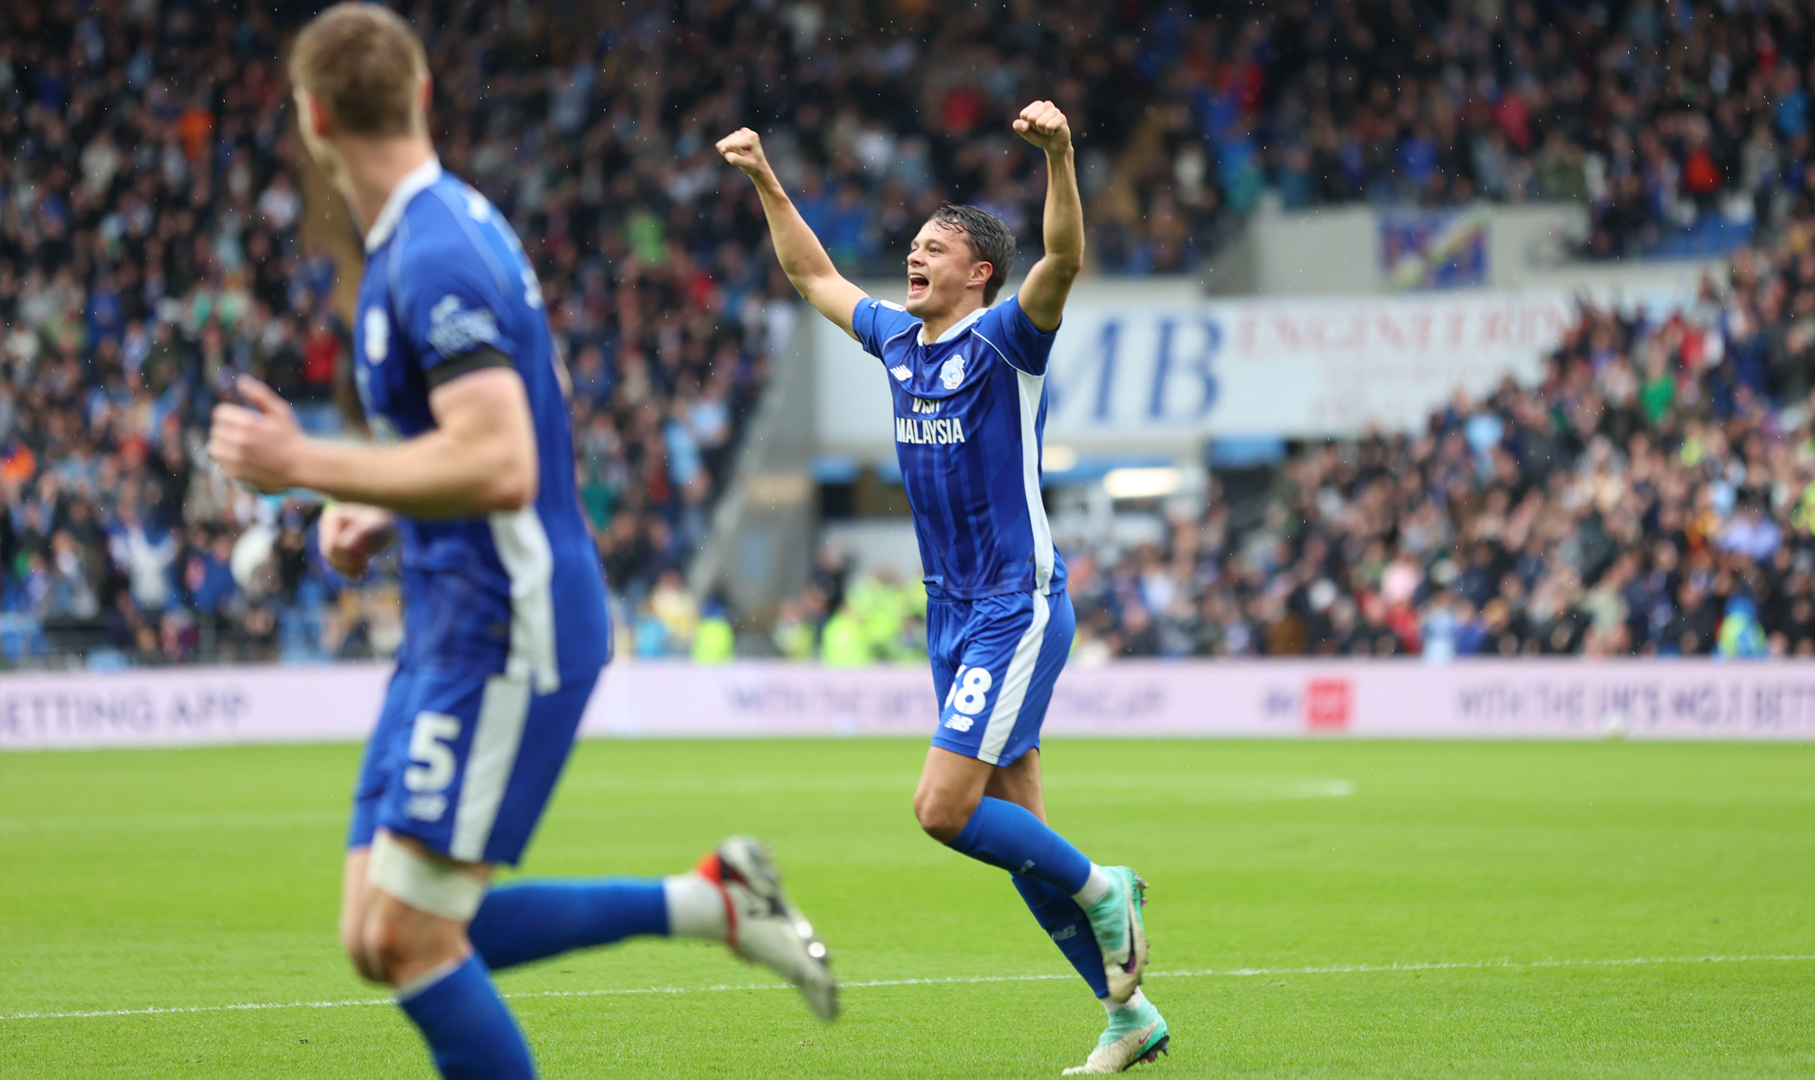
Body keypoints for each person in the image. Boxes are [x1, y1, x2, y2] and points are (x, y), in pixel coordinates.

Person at [210, 7, 834, 1078]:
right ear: (423, 96)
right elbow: (497, 434)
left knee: (412, 938)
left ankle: (709, 904)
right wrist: (384, 503)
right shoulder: (431, 235)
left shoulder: (434, 250)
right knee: (378, 934)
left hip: (509, 622)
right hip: (452, 617)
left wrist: (308, 464)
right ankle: (710, 902)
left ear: (312, 117)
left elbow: (503, 463)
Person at [719, 101, 1169, 1075]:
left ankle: (1108, 886)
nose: (914, 259)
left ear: (980, 275)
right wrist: (767, 178)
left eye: (936, 249)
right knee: (1019, 833)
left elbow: (1064, 262)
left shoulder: (1009, 340)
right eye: (913, 247)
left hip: (1017, 604)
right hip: (952, 614)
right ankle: (1125, 1014)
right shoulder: (895, 342)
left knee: (941, 808)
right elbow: (811, 274)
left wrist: (1058, 159)